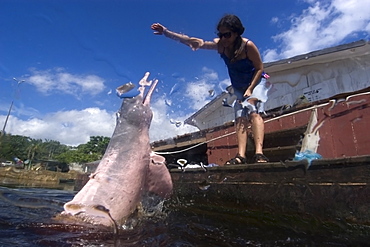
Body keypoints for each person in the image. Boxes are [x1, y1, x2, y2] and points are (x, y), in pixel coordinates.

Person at [151, 14, 269, 164]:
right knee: (239, 117)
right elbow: (193, 42)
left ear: (237, 32)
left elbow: (260, 68)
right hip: (239, 86)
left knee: (253, 111)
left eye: (227, 34)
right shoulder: (221, 46)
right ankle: (241, 156)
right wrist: (166, 32)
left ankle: (259, 154)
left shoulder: (248, 46)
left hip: (255, 81)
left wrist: (251, 89)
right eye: (221, 34)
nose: (224, 38)